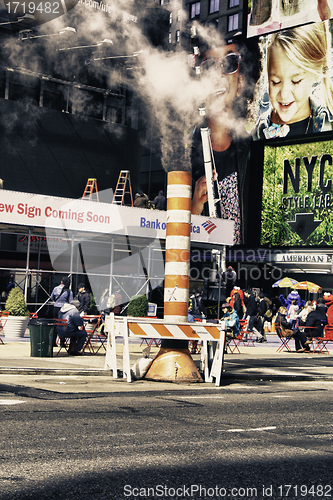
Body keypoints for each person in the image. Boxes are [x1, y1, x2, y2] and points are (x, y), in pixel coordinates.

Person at [191, 38, 261, 245]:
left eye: (229, 63)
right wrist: (195, 207)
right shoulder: (184, 153)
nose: (219, 73)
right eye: (210, 66)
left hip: (248, 269)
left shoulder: (255, 148)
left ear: (239, 85)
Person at [254, 22, 333, 140]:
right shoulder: (256, 134)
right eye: (275, 82)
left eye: (296, 81)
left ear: (317, 72)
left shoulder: (328, 126)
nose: (284, 94)